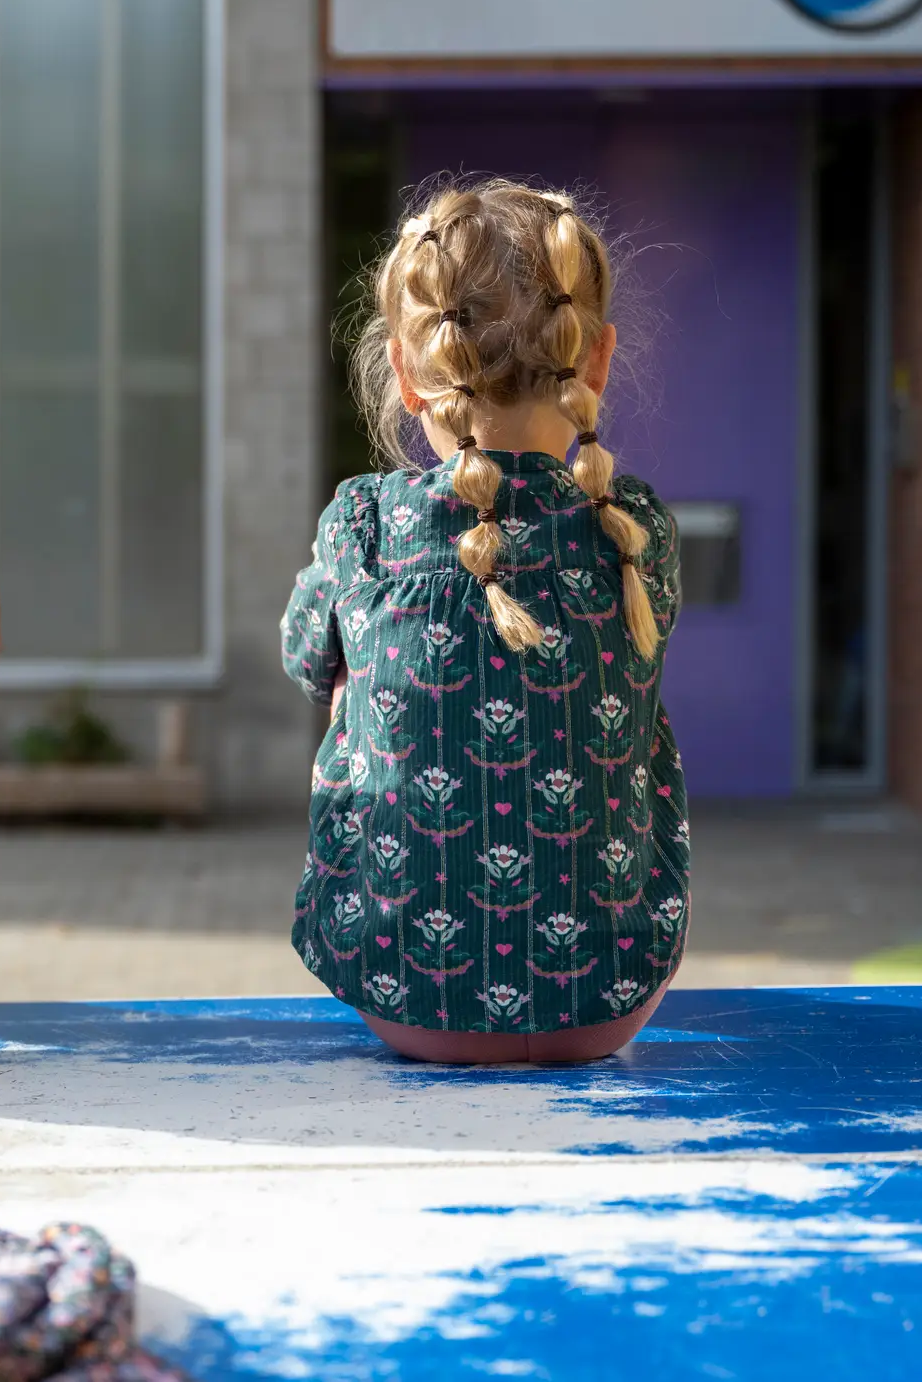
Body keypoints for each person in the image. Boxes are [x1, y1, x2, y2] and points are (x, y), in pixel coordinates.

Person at [280, 179, 687, 1065]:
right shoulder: (635, 530)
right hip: (610, 996)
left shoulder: (364, 524)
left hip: (403, 993)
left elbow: (304, 659)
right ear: (597, 357)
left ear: (404, 372)